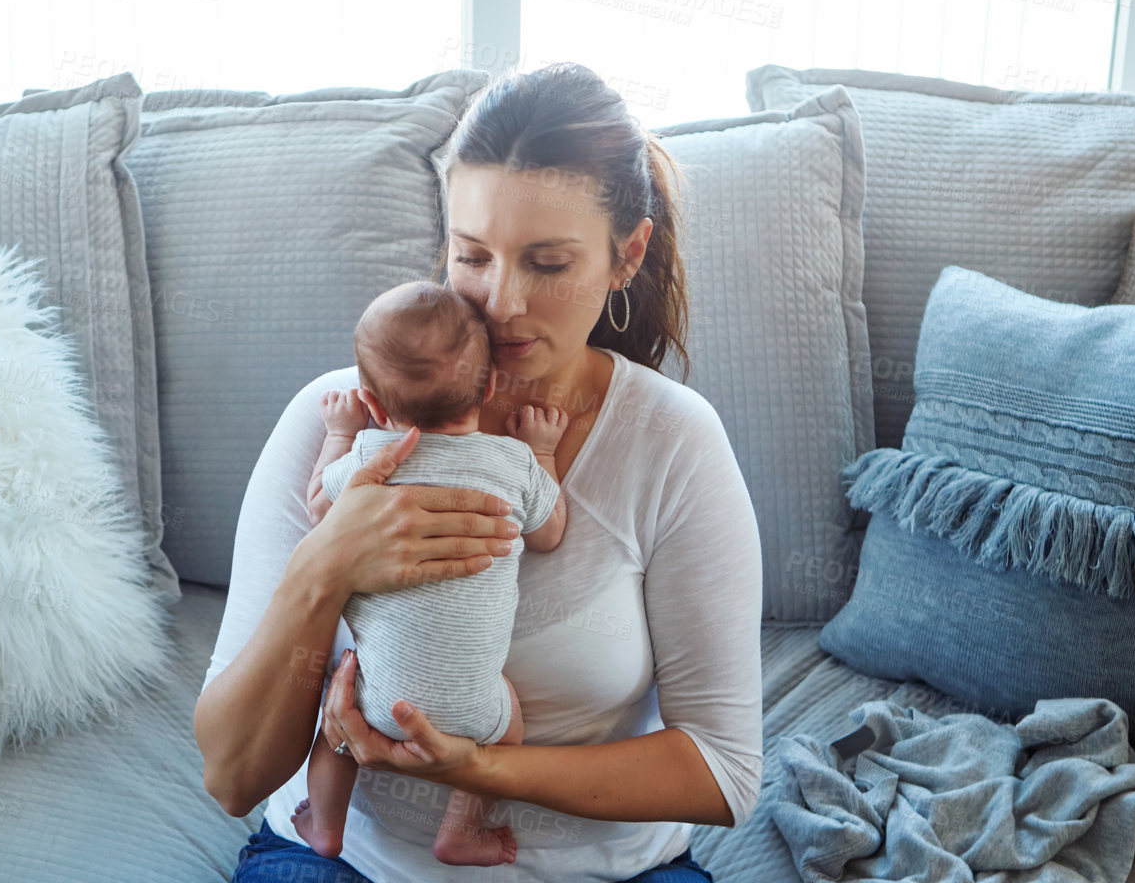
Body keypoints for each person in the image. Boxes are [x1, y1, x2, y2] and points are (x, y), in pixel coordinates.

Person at [195, 62, 763, 882]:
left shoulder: (670, 440)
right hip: (351, 865)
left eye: (548, 263)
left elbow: (722, 773)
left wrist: (476, 770)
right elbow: (231, 777)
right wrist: (324, 567)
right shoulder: (339, 419)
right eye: (471, 256)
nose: (500, 303)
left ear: (625, 254)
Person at [293, 280, 568, 866]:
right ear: (491, 384)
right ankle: (461, 830)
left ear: (370, 399)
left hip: (373, 699)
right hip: (477, 711)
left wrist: (340, 432)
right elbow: (549, 533)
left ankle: (325, 824)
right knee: (510, 730)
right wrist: (541, 451)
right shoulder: (512, 462)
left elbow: (318, 507)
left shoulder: (368, 456)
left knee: (334, 729)